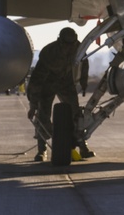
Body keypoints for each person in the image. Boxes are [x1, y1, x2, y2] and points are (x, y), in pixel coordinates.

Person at [26, 27, 93, 161]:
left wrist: (83, 82)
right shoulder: (49, 52)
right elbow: (36, 80)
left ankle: (82, 145)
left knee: (75, 113)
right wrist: (33, 104)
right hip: (47, 83)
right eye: (66, 45)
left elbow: (84, 63)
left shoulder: (78, 48)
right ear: (60, 41)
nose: (69, 48)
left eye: (72, 44)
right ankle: (42, 150)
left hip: (66, 83)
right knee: (43, 114)